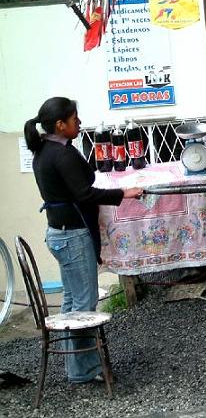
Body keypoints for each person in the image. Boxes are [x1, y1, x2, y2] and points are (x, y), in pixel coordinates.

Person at [23, 97, 143, 384]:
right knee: (84, 303)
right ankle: (84, 370)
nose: (79, 123)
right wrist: (123, 193)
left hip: (61, 233)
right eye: (75, 119)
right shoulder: (60, 154)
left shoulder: (46, 150)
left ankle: (75, 368)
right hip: (72, 235)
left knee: (72, 301)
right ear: (59, 124)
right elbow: (85, 194)